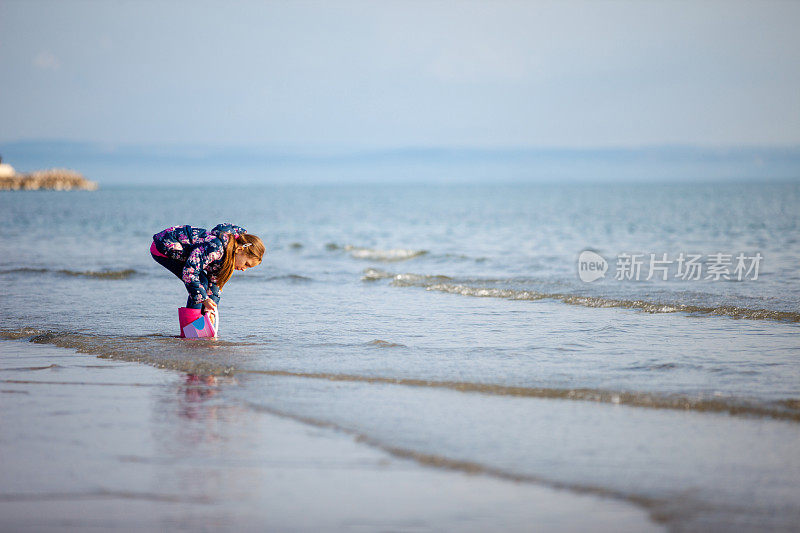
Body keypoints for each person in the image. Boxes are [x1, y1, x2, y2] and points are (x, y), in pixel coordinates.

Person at [150, 223, 265, 324]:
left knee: (203, 285)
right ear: (240, 250)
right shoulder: (215, 248)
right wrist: (204, 299)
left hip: (185, 254)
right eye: (246, 264)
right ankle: (190, 326)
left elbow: (215, 284)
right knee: (201, 283)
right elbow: (189, 272)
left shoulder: (226, 259)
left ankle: (200, 323)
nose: (244, 269)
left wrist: (210, 310)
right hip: (164, 246)